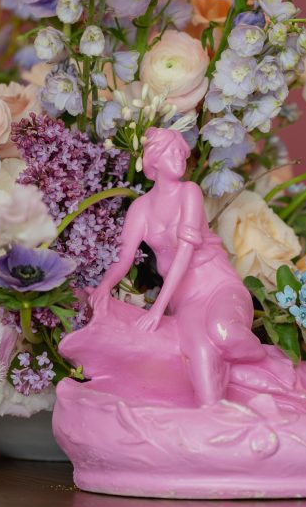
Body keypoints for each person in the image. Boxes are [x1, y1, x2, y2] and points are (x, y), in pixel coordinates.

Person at [91, 126, 267, 405]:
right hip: (185, 299)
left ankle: (270, 360)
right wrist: (103, 287)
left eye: (182, 154)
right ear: (154, 161)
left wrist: (157, 309)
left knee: (225, 333)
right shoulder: (141, 209)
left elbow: (185, 253)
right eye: (172, 153)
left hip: (216, 283)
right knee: (199, 350)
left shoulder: (190, 192)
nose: (180, 159)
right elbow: (124, 257)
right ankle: (212, 415)